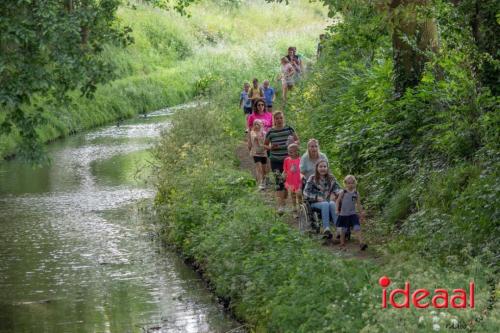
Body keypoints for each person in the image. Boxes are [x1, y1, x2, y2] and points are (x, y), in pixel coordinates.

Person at [265, 111, 299, 214]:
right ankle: (281, 206)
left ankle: (290, 201)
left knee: (289, 181)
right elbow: (265, 145)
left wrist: (293, 143)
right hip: (275, 160)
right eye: (277, 118)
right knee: (279, 182)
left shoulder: (289, 128)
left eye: (280, 118)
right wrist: (271, 147)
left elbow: (298, 140)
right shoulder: (270, 132)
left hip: (289, 160)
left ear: (283, 119)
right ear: (274, 120)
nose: (279, 120)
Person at [303, 160, 341, 237]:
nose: (323, 168)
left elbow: (338, 189)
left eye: (324, 166)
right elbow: (305, 193)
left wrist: (338, 194)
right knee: (325, 204)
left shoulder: (331, 178)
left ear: (327, 168)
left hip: (328, 201)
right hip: (315, 203)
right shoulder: (312, 178)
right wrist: (316, 197)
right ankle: (326, 228)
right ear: (317, 168)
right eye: (320, 166)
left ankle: (338, 228)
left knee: (332, 203)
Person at [336, 175, 367, 251]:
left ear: (355, 183)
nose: (350, 185)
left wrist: (361, 213)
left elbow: (358, 204)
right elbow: (337, 201)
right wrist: (336, 210)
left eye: (352, 183)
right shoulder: (343, 192)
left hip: (353, 214)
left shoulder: (356, 193)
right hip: (344, 214)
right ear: (345, 184)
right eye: (348, 183)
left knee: (357, 227)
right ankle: (342, 244)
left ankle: (361, 243)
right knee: (344, 230)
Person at [283, 143, 302, 215]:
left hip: (298, 181)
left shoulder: (300, 160)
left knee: (299, 195)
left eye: (292, 152)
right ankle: (294, 209)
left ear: (297, 151)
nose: (290, 153)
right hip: (290, 181)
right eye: (289, 152)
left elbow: (302, 171)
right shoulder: (286, 160)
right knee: (293, 195)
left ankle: (300, 209)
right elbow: (285, 170)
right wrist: (283, 176)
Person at [249, 120, 268, 190]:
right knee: (259, 167)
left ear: (262, 124)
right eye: (255, 124)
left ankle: (263, 181)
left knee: (264, 169)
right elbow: (256, 138)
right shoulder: (252, 132)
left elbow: (267, 141)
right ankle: (260, 183)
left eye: (259, 124)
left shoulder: (264, 133)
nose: (257, 125)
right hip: (256, 153)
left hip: (263, 153)